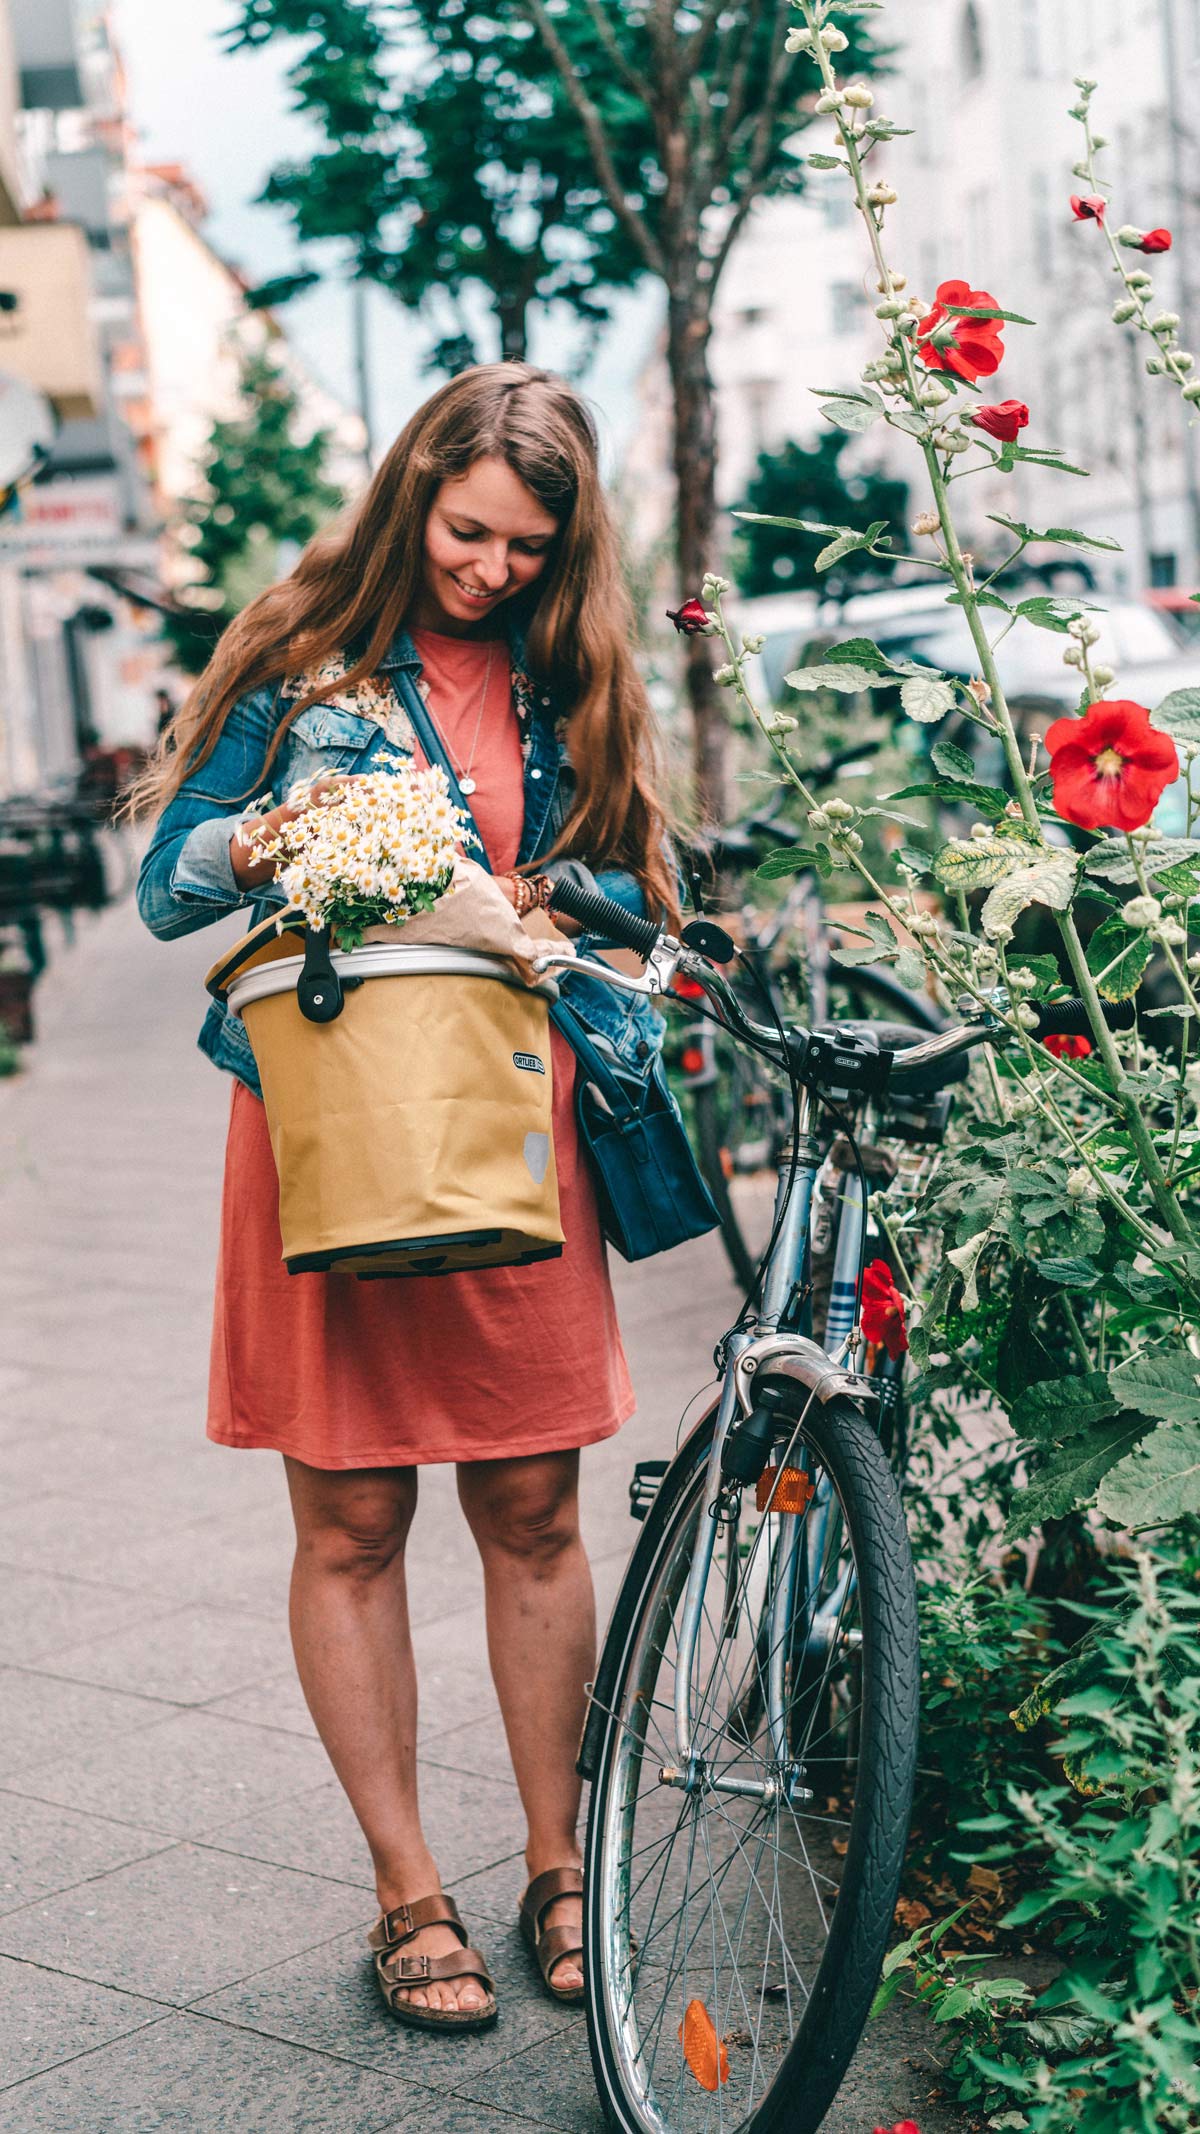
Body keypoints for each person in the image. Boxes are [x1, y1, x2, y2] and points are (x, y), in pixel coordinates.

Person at [133, 363, 676, 2034]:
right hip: (333, 1140)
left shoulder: (570, 672)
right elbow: (167, 881)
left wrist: (554, 905)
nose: (490, 569)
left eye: (527, 546)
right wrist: (276, 831)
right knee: (354, 1523)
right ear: (410, 494)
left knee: (533, 1512)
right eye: (466, 531)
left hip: (510, 1133)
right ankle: (406, 1887)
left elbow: (636, 880)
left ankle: (561, 1860)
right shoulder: (305, 647)